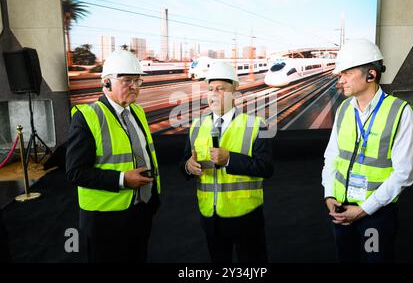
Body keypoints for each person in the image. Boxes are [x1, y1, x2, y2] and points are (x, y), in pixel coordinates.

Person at [321, 39, 413, 263]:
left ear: (371, 75)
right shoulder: (344, 109)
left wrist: (364, 210)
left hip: (375, 216)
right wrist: (329, 195)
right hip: (341, 209)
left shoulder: (400, 112)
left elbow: (404, 174)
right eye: (339, 74)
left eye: (346, 73)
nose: (340, 80)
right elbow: (331, 156)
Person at [66, 50, 160, 262]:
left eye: (138, 80)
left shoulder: (137, 111)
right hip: (105, 221)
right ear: (106, 83)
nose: (135, 87)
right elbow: (75, 172)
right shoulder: (87, 117)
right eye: (127, 80)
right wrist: (122, 180)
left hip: (140, 212)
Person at [181, 62, 273, 263]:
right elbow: (184, 166)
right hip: (211, 218)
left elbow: (266, 168)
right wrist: (189, 167)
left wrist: (230, 159)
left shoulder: (256, 125)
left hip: (246, 218)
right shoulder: (196, 126)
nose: (214, 94)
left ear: (234, 91)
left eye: (221, 89)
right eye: (211, 89)